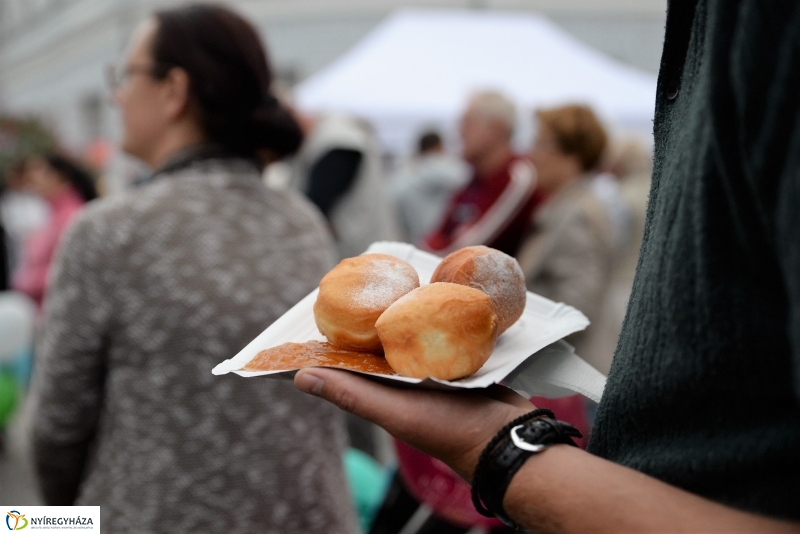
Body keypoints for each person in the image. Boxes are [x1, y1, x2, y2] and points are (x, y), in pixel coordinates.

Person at [294, 1, 800, 532]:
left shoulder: (570, 209)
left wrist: (501, 450)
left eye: (541, 144)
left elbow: (561, 289)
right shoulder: (551, 201)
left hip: (586, 409)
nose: (530, 154)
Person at [30, 6, 357, 533]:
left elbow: (56, 429)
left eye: (125, 75)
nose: (116, 95)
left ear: (173, 90)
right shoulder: (303, 221)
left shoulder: (110, 231)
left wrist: (60, 520)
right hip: (308, 515)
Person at [516, 105, 614, 374]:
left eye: (542, 143)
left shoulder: (576, 215)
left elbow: (576, 308)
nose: (532, 154)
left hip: (565, 376)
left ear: (573, 154)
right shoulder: (566, 207)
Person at [423, 91, 541, 257]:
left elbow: (465, 250)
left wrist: (422, 255)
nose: (460, 133)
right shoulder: (473, 182)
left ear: (496, 130)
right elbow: (435, 238)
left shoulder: (518, 176)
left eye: (467, 124)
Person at [291, 111, 400, 259]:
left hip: (358, 249)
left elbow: (313, 207)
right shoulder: (339, 135)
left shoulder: (337, 143)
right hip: (367, 246)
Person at [11, 155, 96, 308]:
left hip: (60, 311)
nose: (33, 178)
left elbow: (74, 273)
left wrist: (26, 281)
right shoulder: (54, 215)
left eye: (40, 170)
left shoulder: (72, 217)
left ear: (58, 176)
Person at [390, 131, 468, 246]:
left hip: (414, 241)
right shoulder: (441, 167)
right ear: (439, 147)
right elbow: (466, 179)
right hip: (438, 240)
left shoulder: (402, 173)